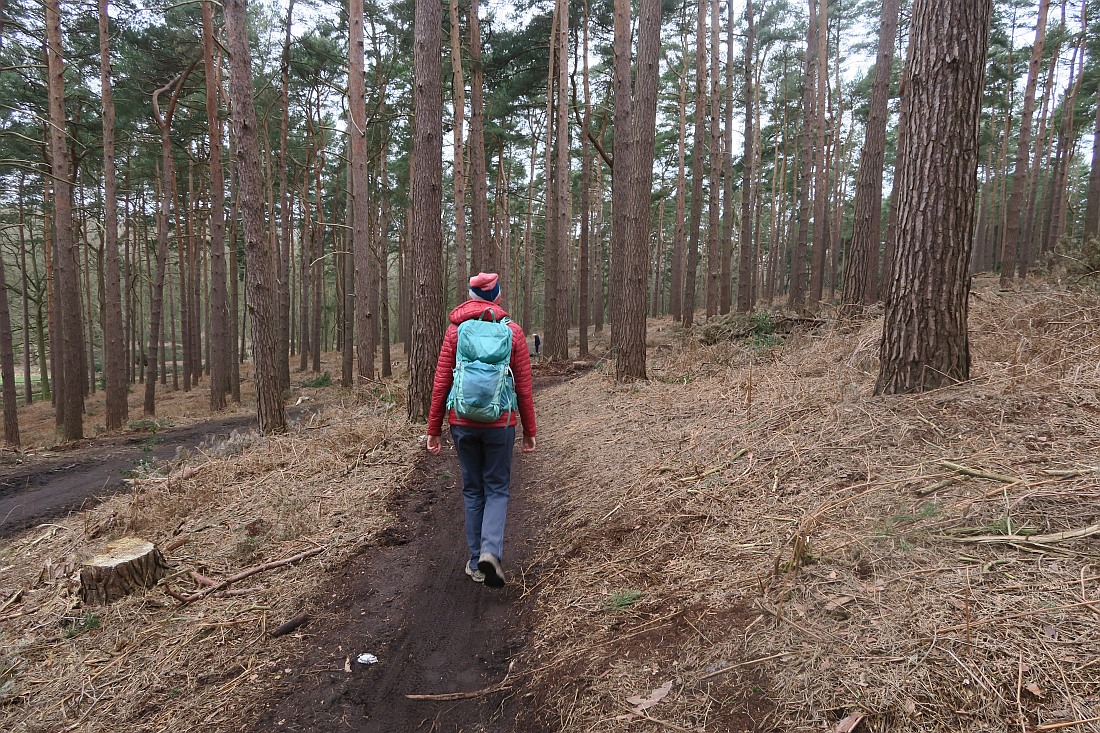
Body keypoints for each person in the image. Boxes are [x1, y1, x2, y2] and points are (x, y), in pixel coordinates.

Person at [426, 272, 537, 588]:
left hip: (461, 422)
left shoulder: (455, 332)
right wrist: (530, 430)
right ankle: (491, 550)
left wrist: (434, 428)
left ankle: (476, 562)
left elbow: (441, 383)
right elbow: (525, 388)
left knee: (473, 489)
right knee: (497, 487)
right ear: (497, 296)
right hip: (500, 424)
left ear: (472, 296)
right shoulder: (512, 332)